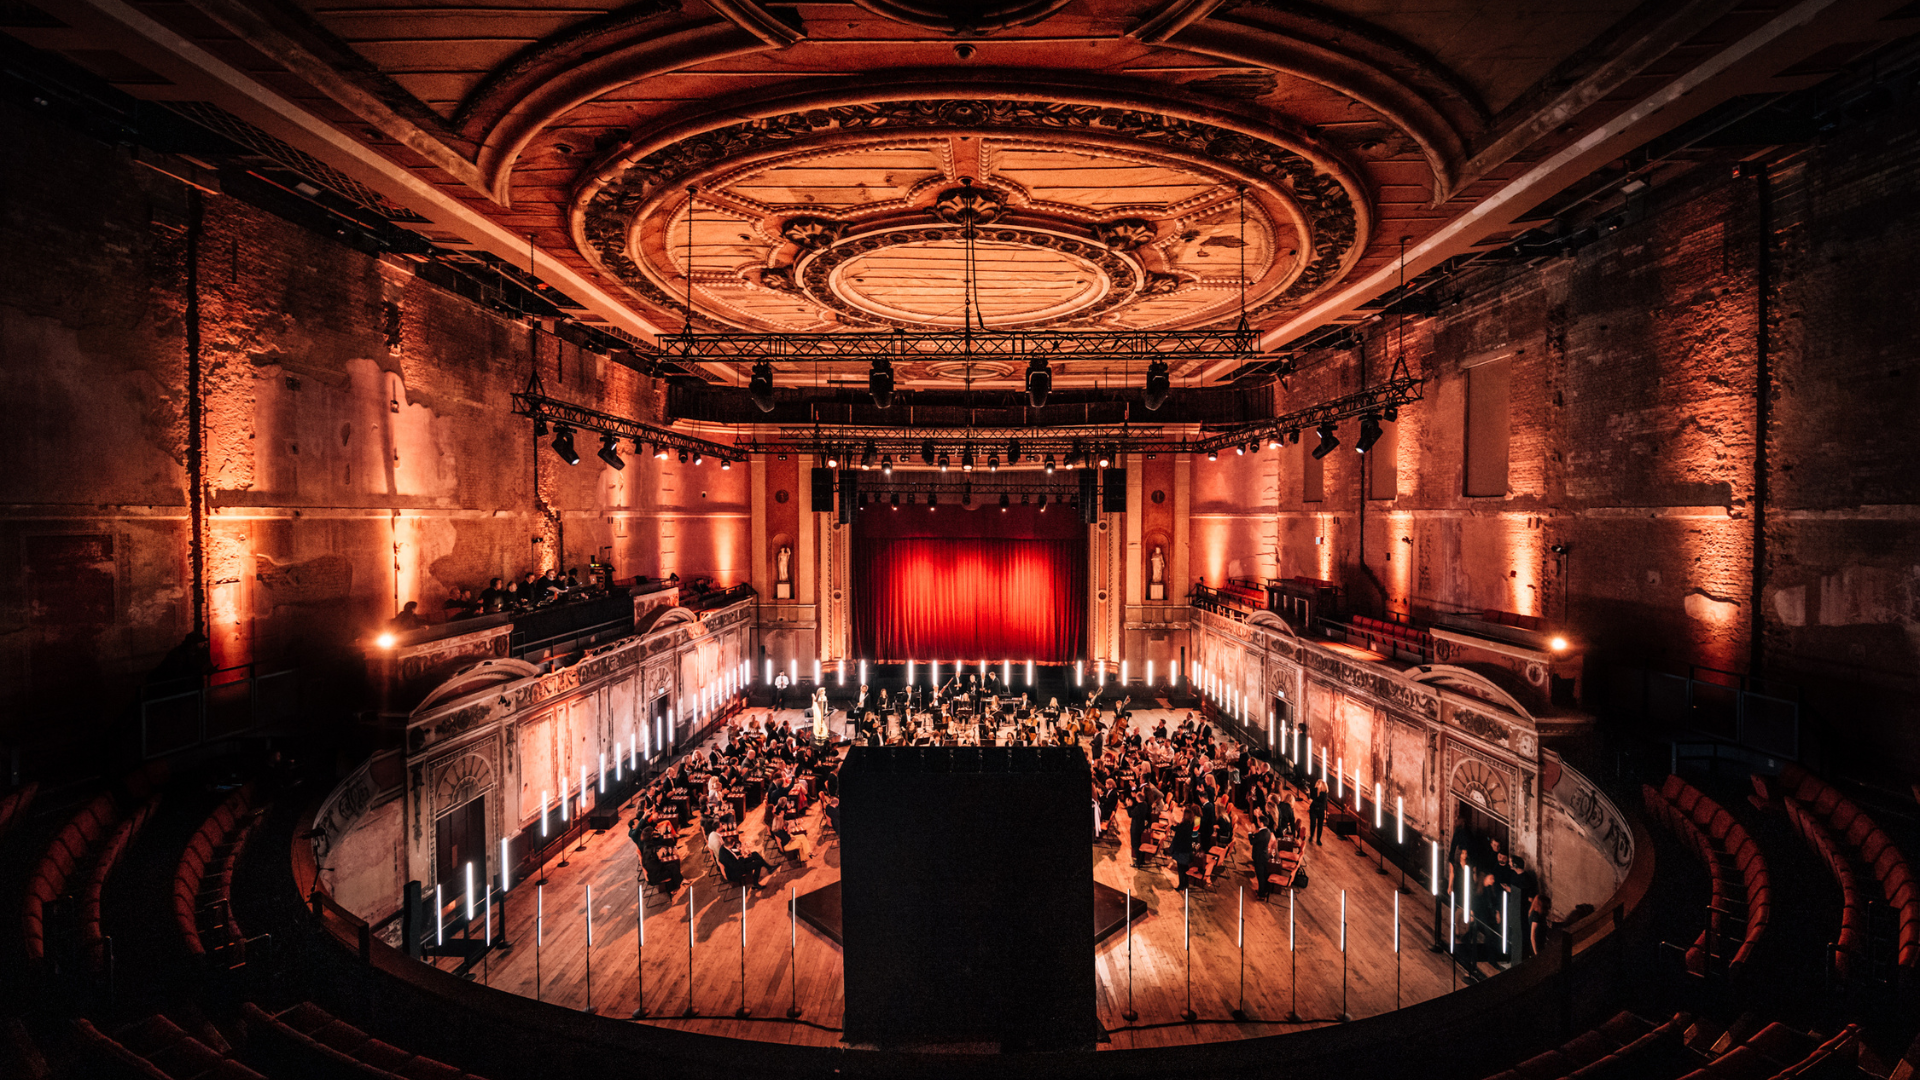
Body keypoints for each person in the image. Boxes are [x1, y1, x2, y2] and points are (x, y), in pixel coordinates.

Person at [1250, 815, 1276, 897]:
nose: (1257, 822)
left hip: (1259, 857)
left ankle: (1261, 894)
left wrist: (1249, 832)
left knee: (1260, 876)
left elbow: (1252, 841)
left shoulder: (1262, 833)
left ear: (1261, 823)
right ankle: (1263, 890)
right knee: (1263, 875)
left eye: (1258, 821)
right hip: (1264, 855)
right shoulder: (1267, 831)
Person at [1308, 778, 1329, 846]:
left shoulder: (1324, 794)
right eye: (1317, 783)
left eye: (1318, 784)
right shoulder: (1314, 791)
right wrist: (1308, 794)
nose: (1316, 785)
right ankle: (1311, 836)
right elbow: (1311, 799)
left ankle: (1318, 839)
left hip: (1320, 811)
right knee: (1313, 824)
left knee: (1320, 825)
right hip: (1313, 810)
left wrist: (1313, 802)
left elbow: (1322, 804)